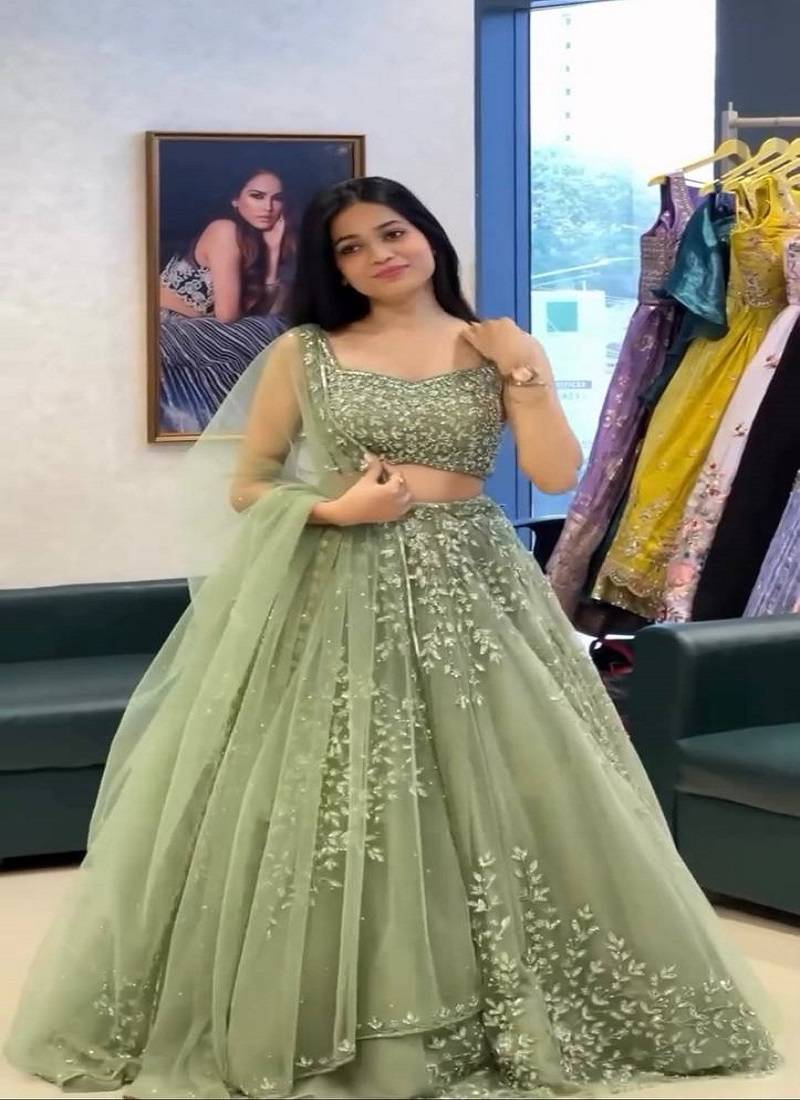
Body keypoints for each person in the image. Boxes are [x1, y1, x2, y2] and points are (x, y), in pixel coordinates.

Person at [5, 177, 777, 1099]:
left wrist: (522, 368)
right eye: (351, 247)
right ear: (334, 269)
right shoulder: (304, 352)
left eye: (392, 232)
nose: (379, 255)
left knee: (514, 780)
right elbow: (248, 483)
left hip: (475, 584)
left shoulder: (493, 343)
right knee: (329, 787)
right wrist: (335, 509)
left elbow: (554, 471)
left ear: (428, 237)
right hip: (335, 584)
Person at [157, 167, 296, 435]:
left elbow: (264, 313)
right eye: (257, 196)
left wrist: (273, 252)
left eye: (277, 198)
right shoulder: (224, 230)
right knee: (273, 334)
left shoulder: (259, 241)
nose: (268, 207)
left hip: (201, 329)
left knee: (276, 329)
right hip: (168, 329)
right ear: (235, 199)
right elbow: (228, 315)